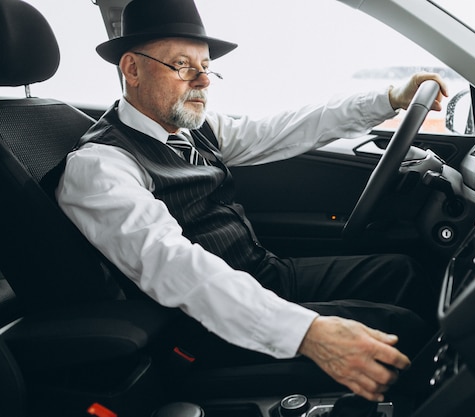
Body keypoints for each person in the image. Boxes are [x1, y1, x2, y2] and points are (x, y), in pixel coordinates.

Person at [53, 0, 448, 402]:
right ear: (132, 69)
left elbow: (286, 128)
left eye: (206, 67)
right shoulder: (100, 166)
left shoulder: (193, 130)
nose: (203, 81)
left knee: (405, 273)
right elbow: (174, 267)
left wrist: (389, 99)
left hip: (263, 274)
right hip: (199, 326)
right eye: (183, 66)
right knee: (403, 330)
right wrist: (307, 333)